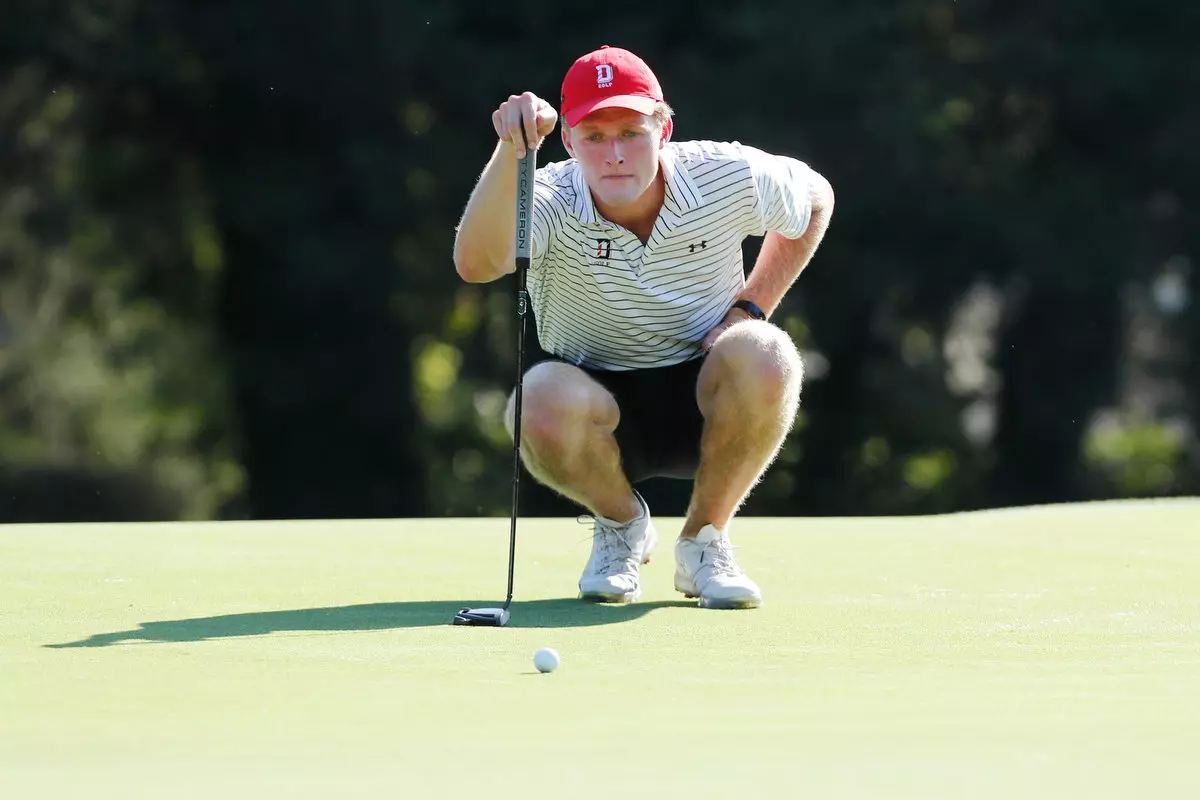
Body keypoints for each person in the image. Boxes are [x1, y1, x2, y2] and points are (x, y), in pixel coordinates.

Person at [453, 45, 834, 610]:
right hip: (598, 414)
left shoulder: (727, 174)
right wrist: (511, 152)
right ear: (569, 142)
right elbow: (476, 263)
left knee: (766, 350)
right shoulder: (550, 197)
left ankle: (705, 542)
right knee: (534, 400)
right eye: (595, 136)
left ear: (664, 127)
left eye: (631, 132)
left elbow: (817, 199)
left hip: (708, 397)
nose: (614, 154)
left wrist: (751, 305)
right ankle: (621, 527)